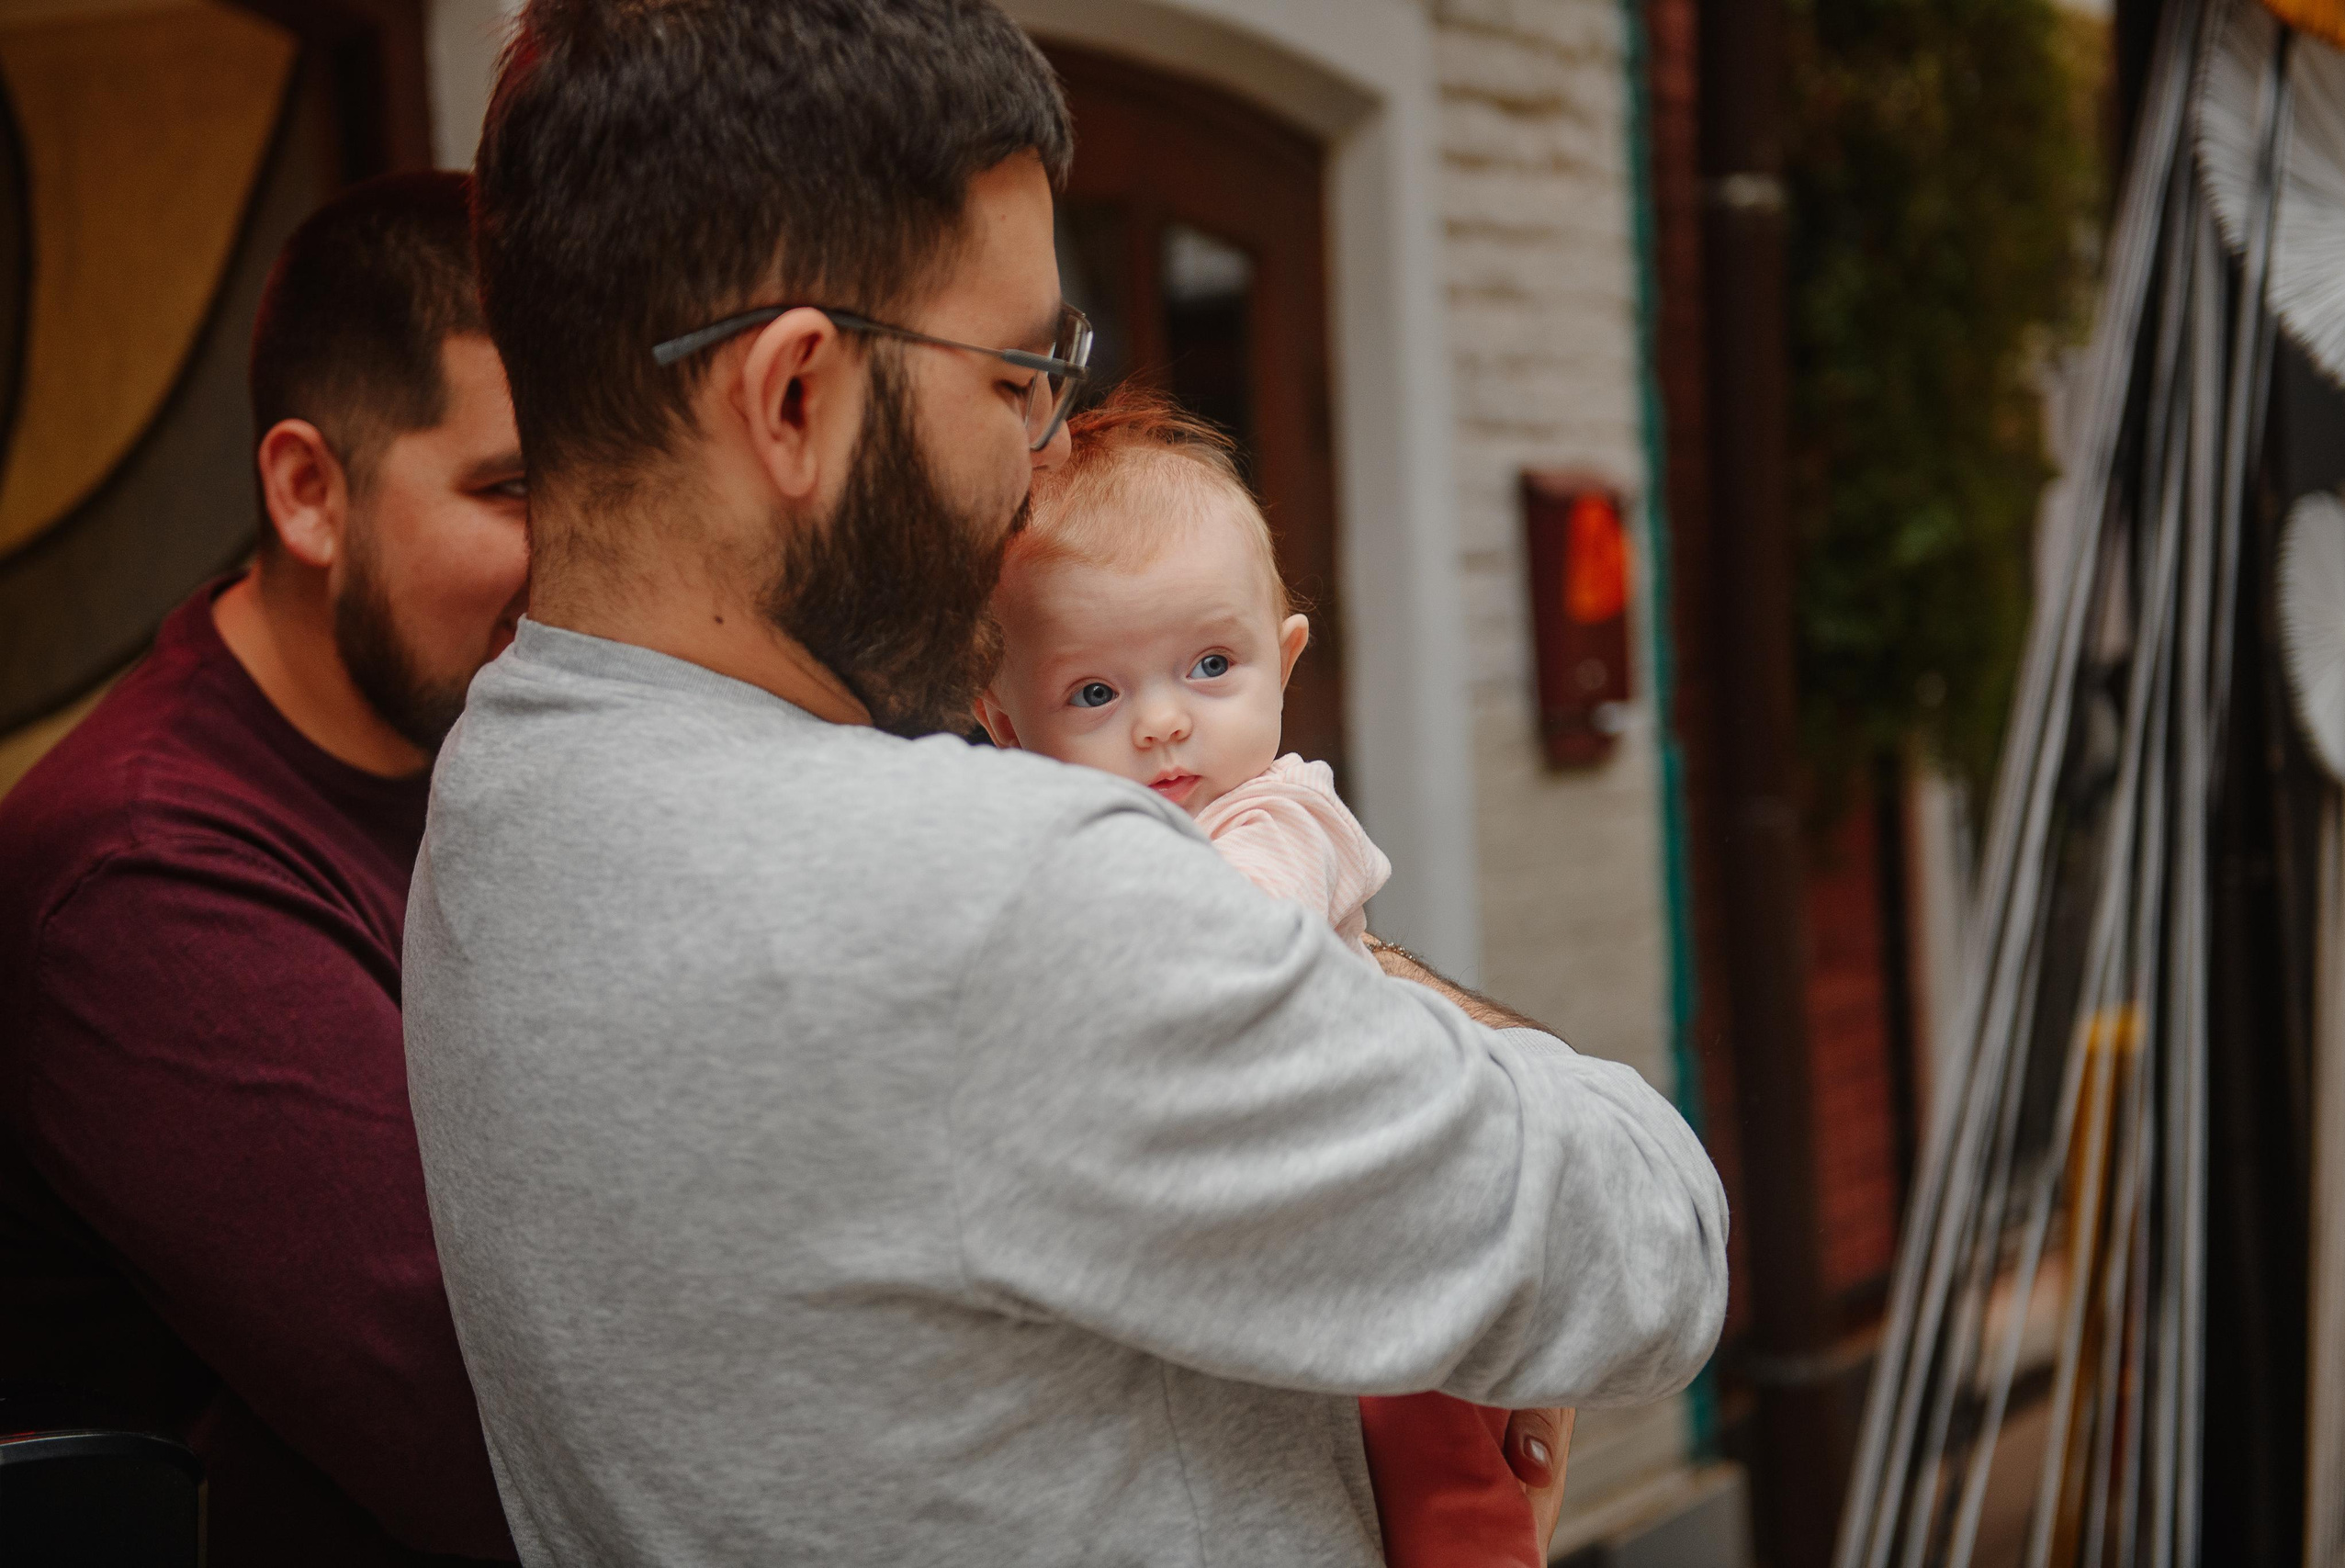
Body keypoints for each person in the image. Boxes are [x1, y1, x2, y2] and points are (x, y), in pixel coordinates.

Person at [402, 3, 1727, 1565]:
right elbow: (1652, 1241)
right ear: (794, 400)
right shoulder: (995, 898)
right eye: (1019, 371)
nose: (1047, 451)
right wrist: (1363, 977)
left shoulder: (496, 801)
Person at [0, 171, 524, 1566]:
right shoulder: (139, 871)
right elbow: (491, 1437)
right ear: (307, 489)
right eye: (510, 487)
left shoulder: (471, 749)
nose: (572, 554)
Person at [977, 388, 1550, 1568]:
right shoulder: (1066, 851)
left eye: (1209, 665)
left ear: (1284, 660)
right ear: (1002, 721)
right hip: (1270, 1267)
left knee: (1444, 1497)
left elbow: (1219, 964)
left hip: (1380, 1248)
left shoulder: (1281, 816)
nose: (1162, 725)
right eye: (1096, 692)